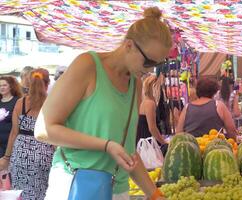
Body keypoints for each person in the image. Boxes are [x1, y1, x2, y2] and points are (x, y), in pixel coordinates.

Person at [34, 7, 171, 200]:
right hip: (76, 186)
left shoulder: (135, 83)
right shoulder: (88, 65)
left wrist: (155, 195)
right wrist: (105, 146)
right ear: (129, 45)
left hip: (117, 190)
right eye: (148, 62)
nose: (151, 70)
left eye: (158, 65)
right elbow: (43, 129)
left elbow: (129, 153)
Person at [0, 69, 55, 200]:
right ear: (47, 83)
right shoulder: (53, 103)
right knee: (43, 192)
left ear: (28, 83)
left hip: (21, 154)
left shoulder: (21, 103)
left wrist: (6, 157)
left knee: (19, 193)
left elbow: (14, 132)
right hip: (45, 152)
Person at [136, 75, 167, 145]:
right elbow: (152, 128)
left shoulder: (144, 102)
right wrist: (164, 142)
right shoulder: (150, 103)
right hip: (148, 142)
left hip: (143, 141)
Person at [0, 76, 22, 157]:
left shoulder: (17, 101)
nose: (1, 88)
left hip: (10, 143)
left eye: (4, 85)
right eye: (0, 86)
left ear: (11, 86)